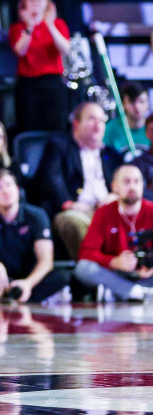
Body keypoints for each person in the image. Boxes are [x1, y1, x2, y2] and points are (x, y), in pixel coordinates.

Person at [29, 101, 123, 258]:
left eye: (101, 120)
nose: (97, 124)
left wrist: (116, 196)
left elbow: (123, 180)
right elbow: (51, 178)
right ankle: (92, 269)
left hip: (108, 209)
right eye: (91, 118)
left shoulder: (112, 155)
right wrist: (67, 203)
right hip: (77, 210)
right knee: (72, 222)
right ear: (76, 123)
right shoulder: (59, 146)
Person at [0, 169, 69, 303]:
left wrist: (27, 283)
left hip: (30, 276)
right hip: (1, 277)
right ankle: (12, 295)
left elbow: (46, 260)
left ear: (17, 189)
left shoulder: (37, 215)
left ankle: (14, 297)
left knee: (61, 276)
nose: (5, 191)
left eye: (9, 185)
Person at [73, 164, 153, 301]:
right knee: (83, 268)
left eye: (137, 181)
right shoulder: (104, 213)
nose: (132, 186)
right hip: (117, 273)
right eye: (126, 181)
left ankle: (118, 293)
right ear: (114, 186)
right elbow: (86, 253)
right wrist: (113, 262)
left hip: (147, 275)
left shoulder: (151, 211)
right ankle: (133, 292)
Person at [9, 0, 71, 134]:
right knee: (29, 127)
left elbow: (65, 49)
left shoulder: (58, 24)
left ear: (47, 3)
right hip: (28, 84)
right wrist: (29, 28)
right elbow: (20, 51)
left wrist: (49, 25)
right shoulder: (18, 28)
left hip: (53, 82)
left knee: (57, 127)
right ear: (23, 3)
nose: (35, 2)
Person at [106, 83, 150, 154]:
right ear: (123, 104)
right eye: (132, 102)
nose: (137, 107)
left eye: (142, 101)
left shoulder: (151, 127)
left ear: (148, 103)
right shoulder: (111, 128)